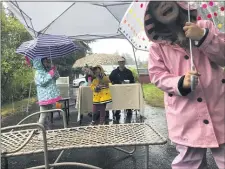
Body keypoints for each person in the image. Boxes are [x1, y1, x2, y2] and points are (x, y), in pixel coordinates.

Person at [144, 1, 225, 169]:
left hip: (220, 111)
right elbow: (157, 76)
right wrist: (180, 82)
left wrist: (203, 36)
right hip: (185, 118)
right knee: (188, 164)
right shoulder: (157, 48)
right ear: (151, 17)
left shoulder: (205, 26)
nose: (163, 3)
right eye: (156, 4)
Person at [33, 58, 61, 129]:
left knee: (47, 114)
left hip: (50, 96)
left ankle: (45, 129)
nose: (46, 63)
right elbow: (43, 82)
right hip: (44, 97)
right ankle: (39, 130)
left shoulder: (47, 70)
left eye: (46, 61)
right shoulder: (38, 72)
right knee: (43, 115)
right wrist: (50, 73)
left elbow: (56, 77)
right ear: (40, 63)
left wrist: (54, 69)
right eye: (44, 62)